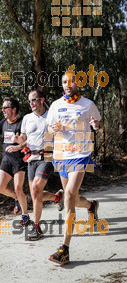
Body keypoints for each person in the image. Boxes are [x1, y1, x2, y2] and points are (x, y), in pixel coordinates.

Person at [47, 73, 103, 265]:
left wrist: (97, 125)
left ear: (77, 83)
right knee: (71, 199)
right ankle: (91, 206)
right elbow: (49, 129)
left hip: (81, 154)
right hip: (61, 156)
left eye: (71, 81)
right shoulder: (55, 105)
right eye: (64, 82)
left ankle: (64, 249)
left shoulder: (88, 104)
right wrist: (53, 130)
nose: (67, 84)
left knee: (69, 196)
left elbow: (99, 123)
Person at [12, 90, 64, 241]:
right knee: (37, 194)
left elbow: (60, 133)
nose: (31, 103)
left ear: (42, 99)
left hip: (47, 155)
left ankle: (37, 227)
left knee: (35, 189)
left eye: (34, 100)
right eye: (29, 101)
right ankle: (56, 197)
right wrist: (18, 141)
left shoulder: (51, 116)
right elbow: (24, 138)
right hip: (31, 157)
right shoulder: (27, 118)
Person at [0, 97, 30, 227]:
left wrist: (19, 143)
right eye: (2, 108)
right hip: (6, 160)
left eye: (6, 108)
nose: (3, 110)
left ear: (14, 109)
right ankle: (16, 199)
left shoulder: (22, 122)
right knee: (0, 187)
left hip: (19, 161)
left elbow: (27, 141)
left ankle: (25, 216)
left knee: (18, 188)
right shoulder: (4, 122)